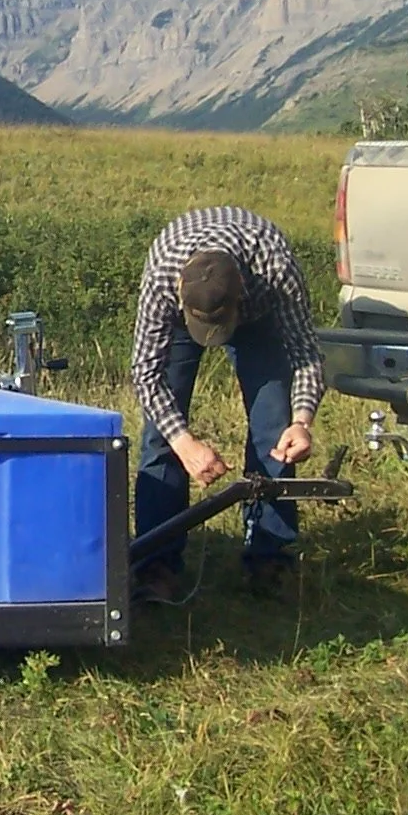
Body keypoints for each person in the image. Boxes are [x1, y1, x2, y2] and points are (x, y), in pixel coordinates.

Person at [130, 205, 325, 601]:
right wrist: (185, 444)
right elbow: (146, 374)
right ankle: (156, 566)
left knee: (274, 425)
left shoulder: (274, 270)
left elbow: (305, 352)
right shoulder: (163, 276)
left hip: (259, 318)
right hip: (177, 316)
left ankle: (268, 558)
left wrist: (301, 422)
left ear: (240, 295)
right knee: (161, 439)